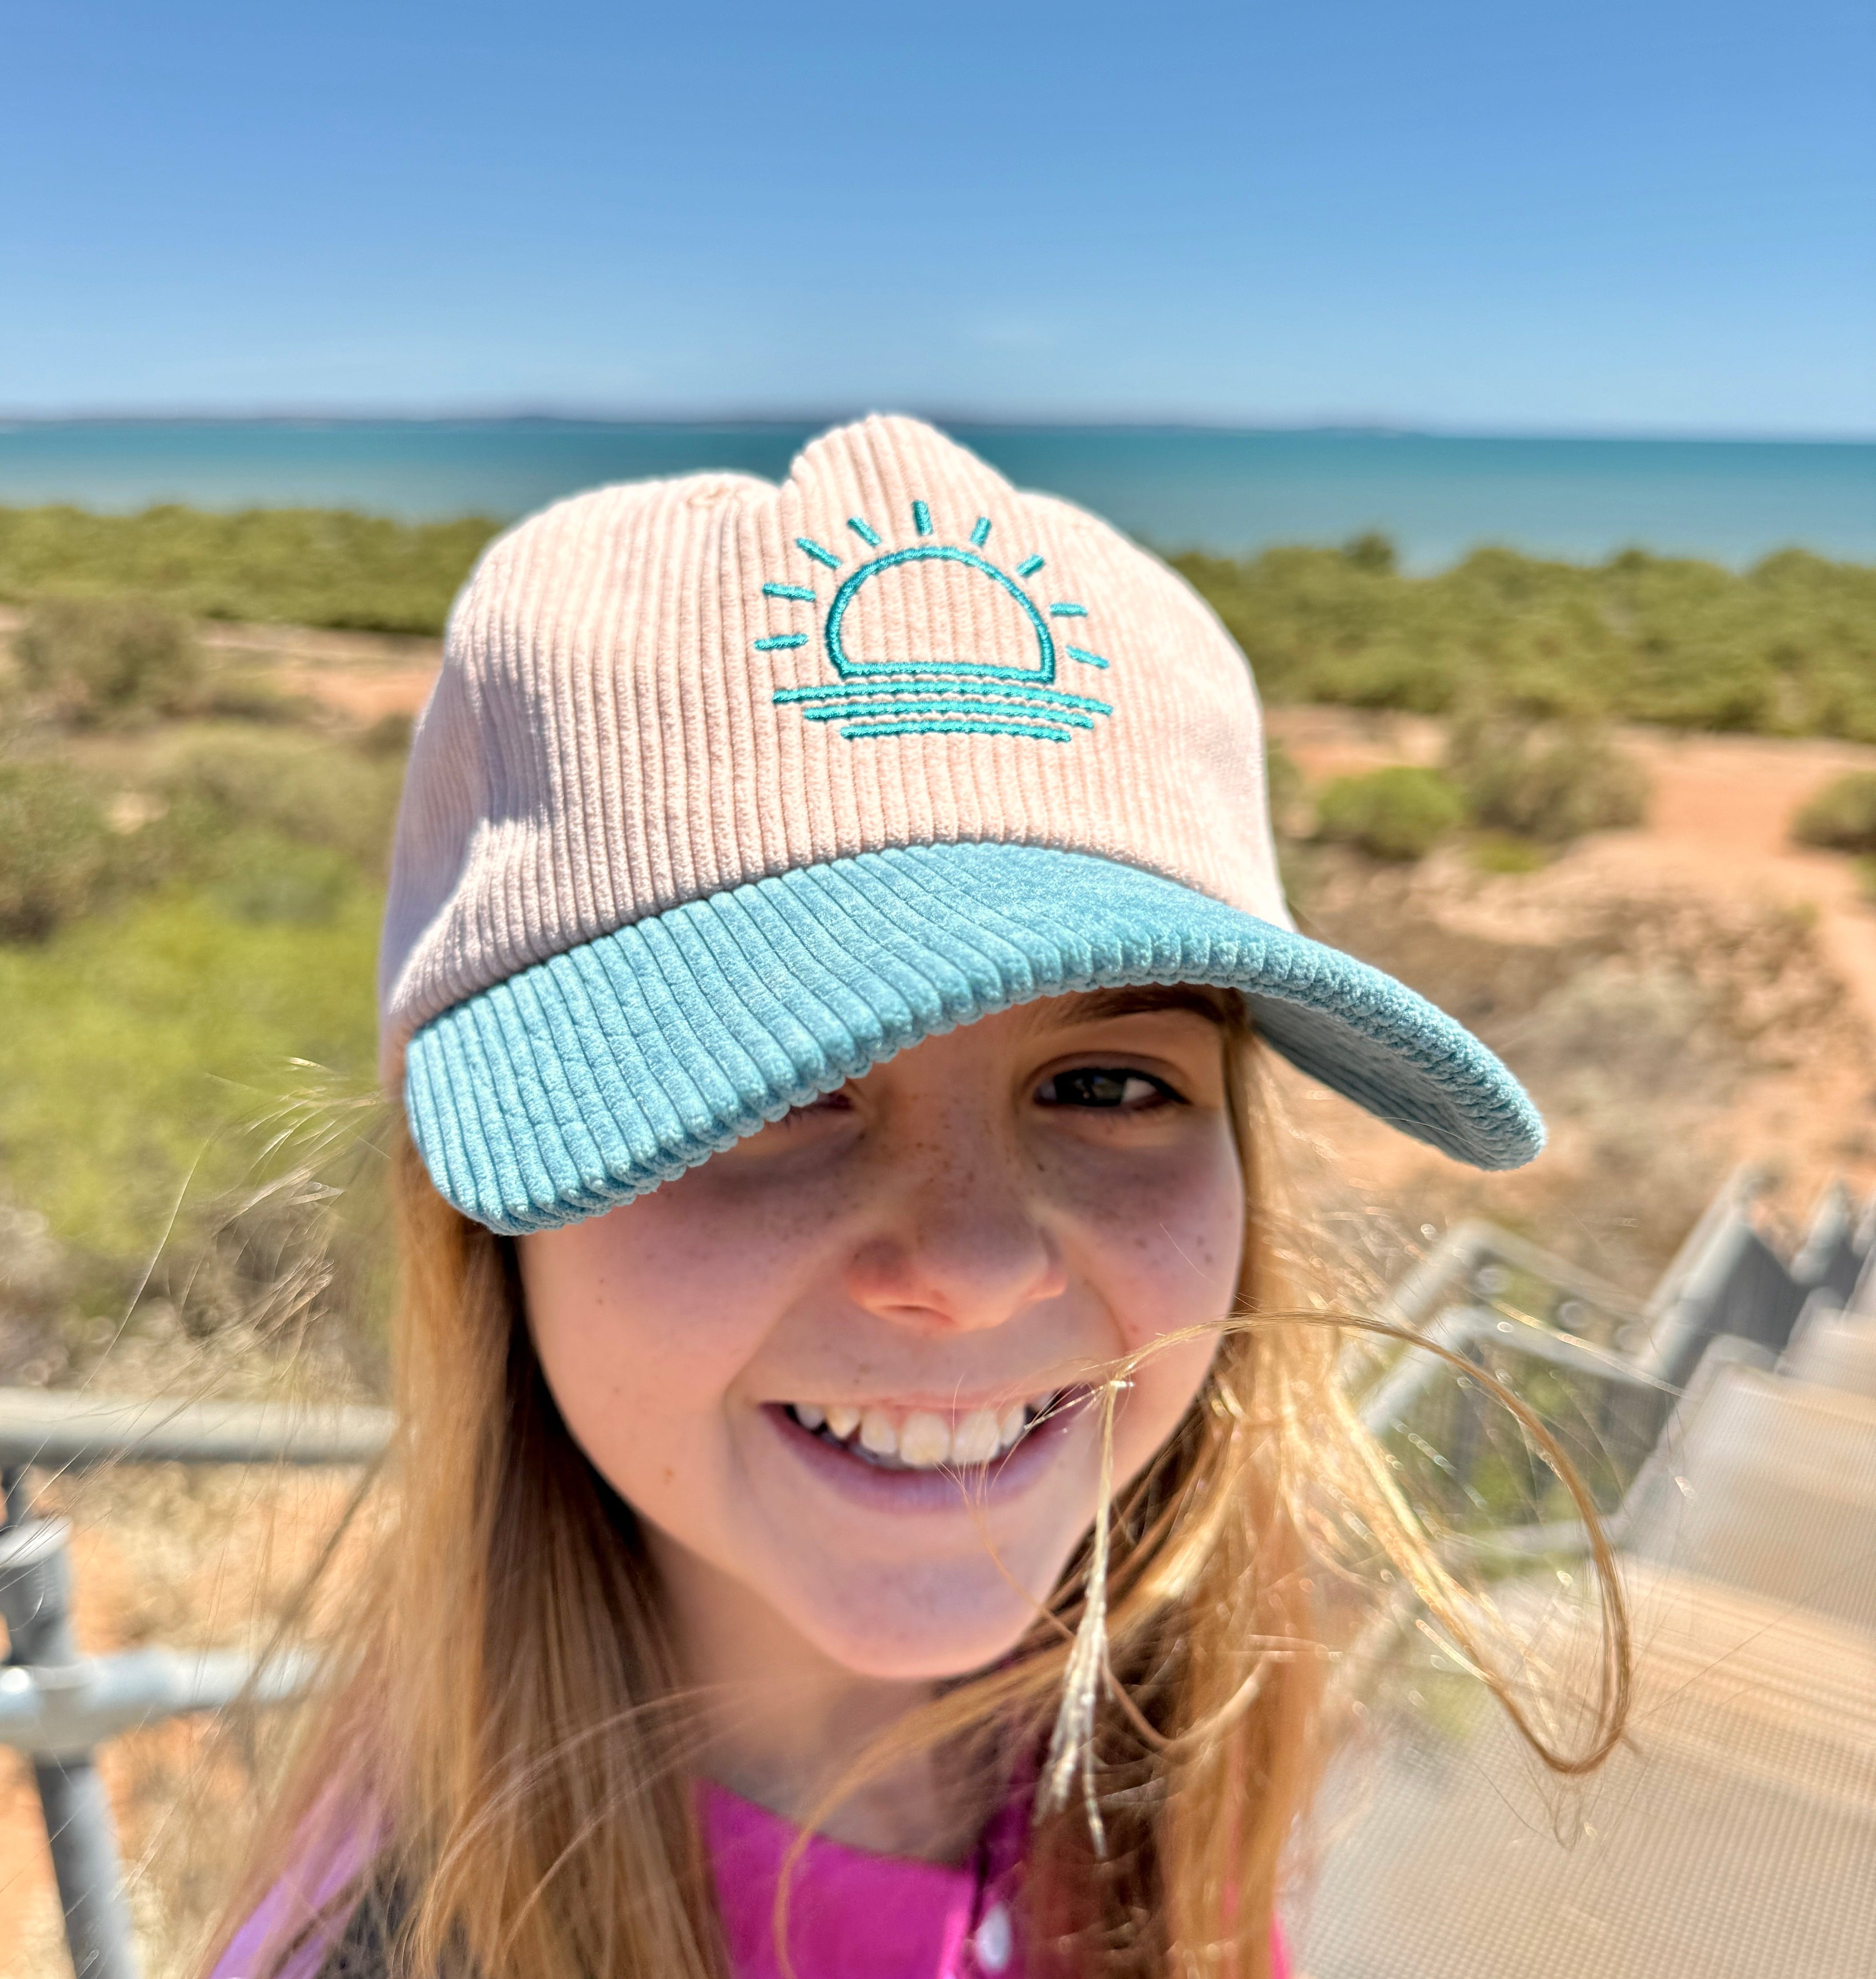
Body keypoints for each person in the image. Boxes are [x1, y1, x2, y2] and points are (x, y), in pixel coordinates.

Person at [206, 414, 1608, 1979]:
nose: (973, 1261)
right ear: (486, 1224)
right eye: (775, 1089)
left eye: (1105, 1085)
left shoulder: (1152, 1741)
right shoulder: (390, 1946)